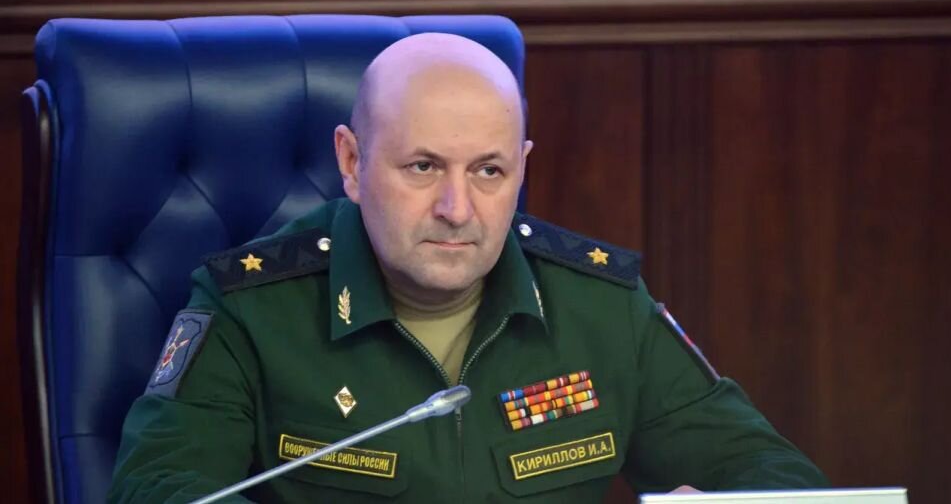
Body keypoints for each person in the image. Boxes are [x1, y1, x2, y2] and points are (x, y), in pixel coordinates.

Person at [108, 33, 827, 503]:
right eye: (423, 167)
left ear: (522, 168)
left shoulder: (600, 303)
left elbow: (774, 476)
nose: (457, 209)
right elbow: (161, 488)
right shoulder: (252, 307)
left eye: (488, 171)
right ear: (352, 163)